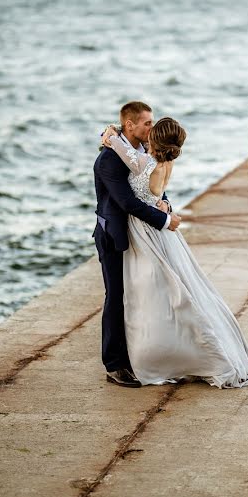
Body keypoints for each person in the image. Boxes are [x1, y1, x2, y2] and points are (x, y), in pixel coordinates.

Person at [99, 116, 248, 388]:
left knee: (155, 290)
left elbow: (130, 189)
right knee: (173, 288)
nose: (148, 131)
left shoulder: (145, 163)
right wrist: (165, 208)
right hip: (161, 231)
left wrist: (111, 136)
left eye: (152, 127)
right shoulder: (165, 163)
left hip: (145, 231)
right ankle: (164, 349)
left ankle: (159, 352)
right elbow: (158, 196)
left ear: (154, 139)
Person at [93, 101, 181, 388]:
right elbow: (126, 201)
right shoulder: (108, 160)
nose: (151, 128)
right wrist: (165, 221)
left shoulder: (143, 151)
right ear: (129, 125)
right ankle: (114, 364)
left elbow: (152, 184)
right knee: (117, 297)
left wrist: (164, 202)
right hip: (115, 236)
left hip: (141, 234)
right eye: (146, 123)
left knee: (143, 295)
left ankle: (140, 355)